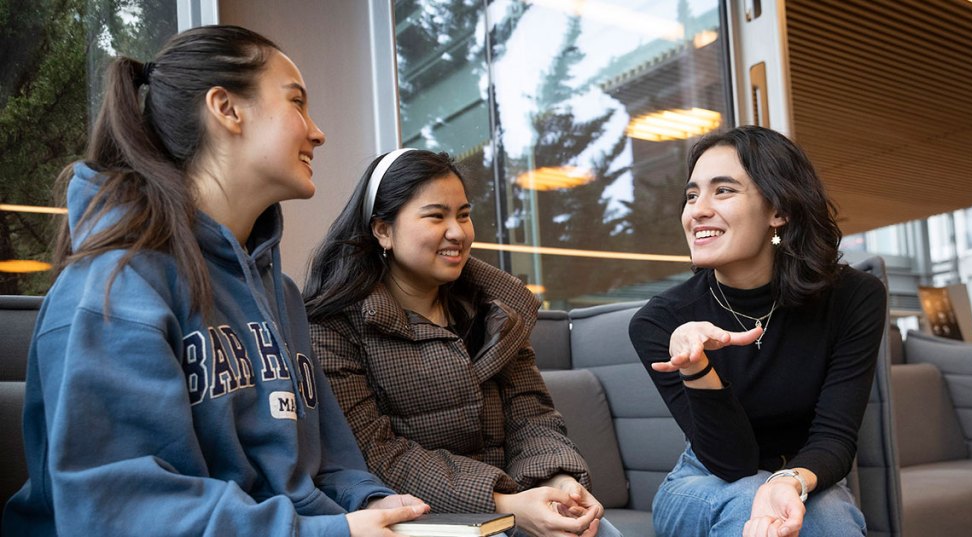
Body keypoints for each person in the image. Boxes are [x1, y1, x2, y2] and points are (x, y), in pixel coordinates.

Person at [2, 25, 429, 536]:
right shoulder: (113, 286)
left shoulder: (283, 295)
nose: (317, 132)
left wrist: (376, 503)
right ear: (226, 109)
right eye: (297, 102)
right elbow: (120, 511)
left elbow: (326, 468)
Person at [303, 148, 622, 537]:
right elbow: (375, 452)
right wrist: (505, 505)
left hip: (519, 500)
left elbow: (532, 415)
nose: (457, 232)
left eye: (464, 215)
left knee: (596, 529)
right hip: (418, 516)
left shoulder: (498, 313)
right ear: (382, 230)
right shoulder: (333, 328)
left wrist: (557, 482)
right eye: (436, 216)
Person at [629, 126, 886, 537]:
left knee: (828, 514)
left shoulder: (853, 297)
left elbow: (835, 437)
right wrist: (697, 369)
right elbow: (732, 462)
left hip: (803, 474)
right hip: (702, 482)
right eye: (692, 195)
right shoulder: (661, 321)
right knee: (749, 500)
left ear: (778, 210)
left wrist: (789, 481)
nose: (697, 210)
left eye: (723, 191)